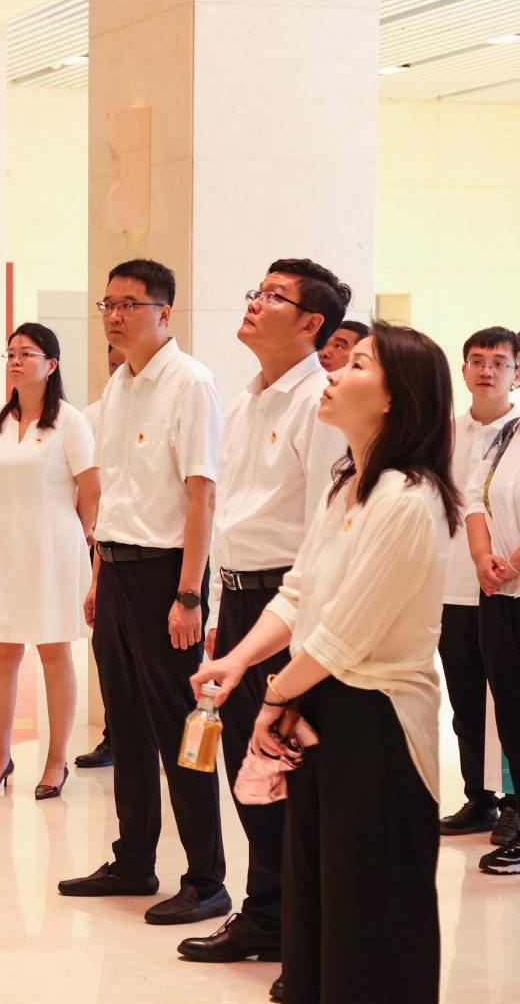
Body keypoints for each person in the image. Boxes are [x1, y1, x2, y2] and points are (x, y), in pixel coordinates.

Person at [196, 321, 455, 1004]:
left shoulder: (408, 501)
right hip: (322, 704)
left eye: (359, 363)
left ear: (395, 398)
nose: (334, 370)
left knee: (370, 898)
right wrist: (237, 660)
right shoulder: (351, 485)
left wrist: (274, 697)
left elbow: (345, 634)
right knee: (319, 885)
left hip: (377, 720)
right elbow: (300, 592)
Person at [176, 260, 349, 984]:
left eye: (273, 297)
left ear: (311, 324)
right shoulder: (247, 399)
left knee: (286, 772)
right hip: (243, 599)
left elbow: (324, 536)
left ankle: (298, 926)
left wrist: (293, 638)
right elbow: (232, 520)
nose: (253, 303)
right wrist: (222, 617)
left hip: (292, 603)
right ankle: (267, 911)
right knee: (248, 772)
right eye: (255, 290)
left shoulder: (321, 403)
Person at [56, 259, 228, 928]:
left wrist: (189, 595)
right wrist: (100, 577)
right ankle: (133, 859)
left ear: (165, 312)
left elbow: (202, 496)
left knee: (182, 728)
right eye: (108, 303)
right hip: (118, 570)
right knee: (124, 724)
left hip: (167, 577)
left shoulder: (191, 383)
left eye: (130, 303)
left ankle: (206, 878)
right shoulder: (119, 385)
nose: (115, 315)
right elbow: (116, 496)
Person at [0, 322, 99, 799]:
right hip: (4, 542)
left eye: (26, 353)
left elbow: (91, 487)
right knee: (1, 651)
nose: (16, 361)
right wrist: (16, 515)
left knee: (53, 650)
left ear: (52, 364)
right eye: (10, 354)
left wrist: (78, 531)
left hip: (54, 546)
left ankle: (55, 760)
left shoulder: (71, 421)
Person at [438, 329, 520, 838]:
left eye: (498, 362)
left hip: (505, 589)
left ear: (516, 372)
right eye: (476, 360)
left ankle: (512, 803)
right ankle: (479, 797)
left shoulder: (514, 431)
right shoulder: (445, 433)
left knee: (508, 702)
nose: (486, 370)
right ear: (464, 370)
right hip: (454, 586)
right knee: (466, 701)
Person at [464, 342, 520, 876]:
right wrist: (485, 559)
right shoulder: (508, 434)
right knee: (511, 712)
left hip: (512, 582)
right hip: (499, 595)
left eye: (500, 363)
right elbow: (475, 500)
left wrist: (512, 563)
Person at [77, 341, 126, 771]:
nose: (119, 370)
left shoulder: (188, 389)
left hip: (158, 551)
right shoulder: (92, 416)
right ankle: (116, 737)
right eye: (113, 363)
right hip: (105, 543)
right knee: (108, 653)